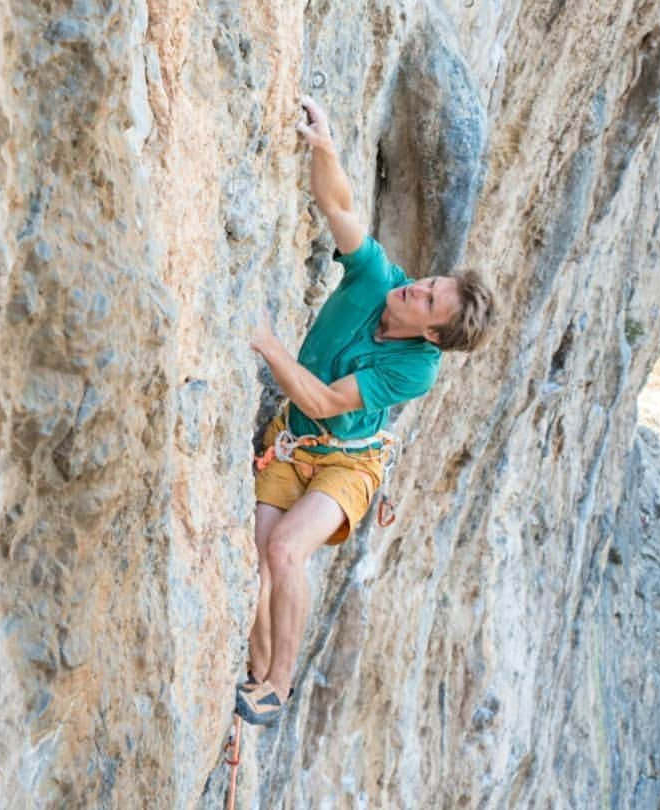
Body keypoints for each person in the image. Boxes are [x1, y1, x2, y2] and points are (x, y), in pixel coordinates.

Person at [235, 97, 496, 725]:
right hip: (293, 441)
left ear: (432, 334)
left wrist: (268, 344)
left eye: (429, 300)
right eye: (431, 283)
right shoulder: (378, 277)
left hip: (345, 465)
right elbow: (339, 207)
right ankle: (253, 676)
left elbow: (326, 401)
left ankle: (279, 684)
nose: (418, 287)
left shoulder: (415, 368)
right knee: (260, 558)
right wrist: (324, 146)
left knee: (286, 552)